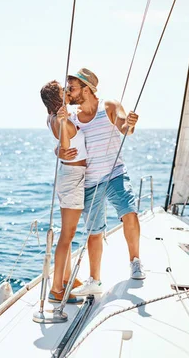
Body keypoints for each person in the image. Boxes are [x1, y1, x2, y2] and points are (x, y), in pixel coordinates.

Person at [58, 68, 145, 296]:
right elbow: (63, 145)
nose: (69, 93)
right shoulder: (73, 119)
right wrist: (60, 152)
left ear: (86, 89)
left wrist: (131, 124)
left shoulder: (109, 106)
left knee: (130, 213)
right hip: (90, 181)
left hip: (115, 173)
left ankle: (135, 261)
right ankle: (95, 281)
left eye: (72, 88)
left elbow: (124, 126)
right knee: (94, 232)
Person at [40, 80, 87, 303]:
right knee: (67, 236)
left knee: (66, 235)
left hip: (67, 176)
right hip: (73, 178)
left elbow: (61, 146)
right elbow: (66, 147)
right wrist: (64, 123)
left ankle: (66, 279)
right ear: (56, 98)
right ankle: (56, 289)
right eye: (63, 91)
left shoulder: (52, 118)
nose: (67, 92)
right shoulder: (61, 120)